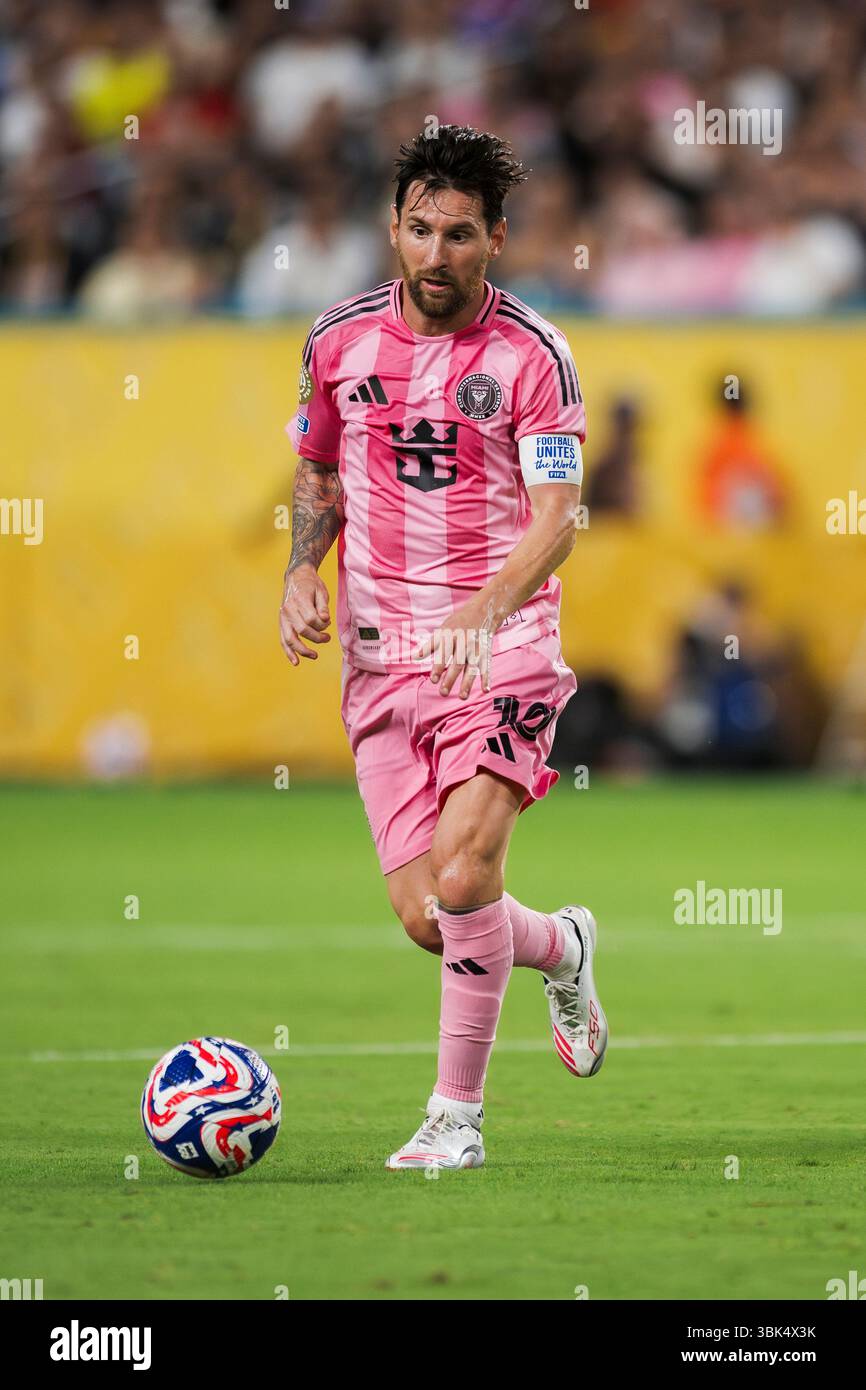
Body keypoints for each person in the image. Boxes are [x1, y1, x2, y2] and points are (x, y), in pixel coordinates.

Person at [279, 125, 607, 1171]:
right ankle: (560, 944)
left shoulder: (532, 354)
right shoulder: (336, 341)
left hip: (500, 645)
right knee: (431, 916)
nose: (434, 254)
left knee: (465, 877)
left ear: (495, 239)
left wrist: (483, 606)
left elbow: (558, 514)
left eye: (458, 235)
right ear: (392, 229)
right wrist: (298, 568)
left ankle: (453, 1119)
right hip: (379, 664)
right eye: (418, 229)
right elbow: (319, 470)